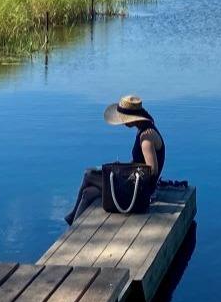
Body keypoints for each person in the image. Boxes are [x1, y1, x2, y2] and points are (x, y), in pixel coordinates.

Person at [64, 94, 165, 225]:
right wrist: (123, 168)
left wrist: (123, 174)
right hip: (134, 184)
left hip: (139, 191)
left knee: (88, 174)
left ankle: (72, 217)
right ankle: (74, 229)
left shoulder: (146, 138)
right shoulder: (143, 130)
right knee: (88, 193)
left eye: (124, 119)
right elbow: (140, 164)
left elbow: (152, 170)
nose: (123, 122)